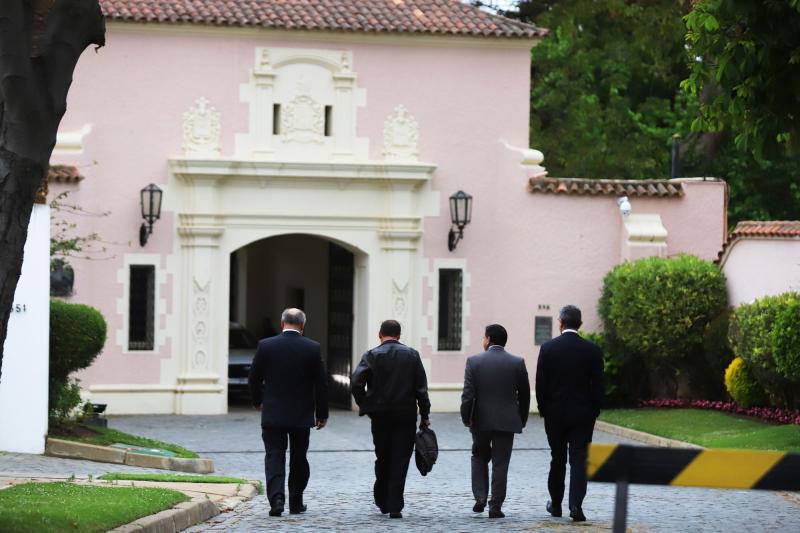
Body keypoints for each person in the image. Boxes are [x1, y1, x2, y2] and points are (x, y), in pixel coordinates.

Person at [248, 308, 328, 517]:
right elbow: (321, 384)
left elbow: (253, 377)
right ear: (302, 325)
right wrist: (322, 413)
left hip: (273, 413)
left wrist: (258, 401)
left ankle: (276, 499)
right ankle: (295, 501)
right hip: (301, 415)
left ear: (282, 323)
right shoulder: (312, 348)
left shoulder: (266, 346)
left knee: (274, 456)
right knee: (299, 458)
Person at [350, 320, 431, 519]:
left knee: (383, 456)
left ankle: (381, 498)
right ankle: (395, 504)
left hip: (380, 415)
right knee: (401, 459)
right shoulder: (412, 355)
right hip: (405, 415)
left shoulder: (371, 355)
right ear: (399, 335)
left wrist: (366, 405)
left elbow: (356, 383)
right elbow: (421, 389)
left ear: (380, 334)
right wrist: (425, 414)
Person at [535, 305, 604, 522]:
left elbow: (541, 384)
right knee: (579, 460)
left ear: (560, 323)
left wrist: (543, 408)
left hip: (555, 414)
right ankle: (576, 505)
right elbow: (599, 385)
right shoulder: (592, 350)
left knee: (557, 458)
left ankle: (556, 504)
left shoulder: (548, 348)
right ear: (580, 324)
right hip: (583, 414)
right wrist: (594, 410)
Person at [461, 323, 530, 519]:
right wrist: (522, 419)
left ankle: (480, 497)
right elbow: (524, 395)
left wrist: (467, 418)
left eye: (484, 337)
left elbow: (468, 395)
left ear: (488, 339)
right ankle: (495, 506)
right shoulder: (517, 362)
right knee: (501, 463)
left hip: (480, 420)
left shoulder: (473, 361)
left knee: (479, 455)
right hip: (507, 421)